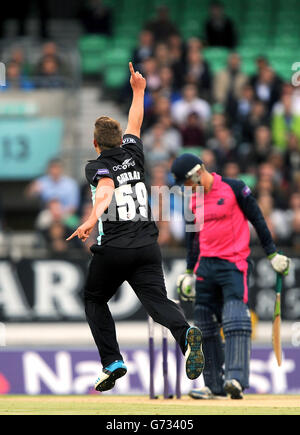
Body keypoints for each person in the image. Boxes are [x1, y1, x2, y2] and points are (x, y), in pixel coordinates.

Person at [66, 63, 204, 393]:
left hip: (114, 249)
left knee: (94, 299)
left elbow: (106, 190)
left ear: (95, 143)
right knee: (157, 302)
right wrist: (139, 91)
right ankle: (185, 335)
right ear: (119, 140)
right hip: (146, 247)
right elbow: (136, 122)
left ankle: (112, 362)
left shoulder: (96, 166)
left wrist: (91, 219)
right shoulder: (134, 152)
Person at [171, 153, 290, 399]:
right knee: (204, 324)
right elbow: (193, 239)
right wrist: (188, 271)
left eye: (186, 182)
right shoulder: (194, 199)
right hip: (205, 267)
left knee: (235, 319)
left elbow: (257, 219)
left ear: (197, 173)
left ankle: (235, 379)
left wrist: (272, 254)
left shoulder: (235, 188)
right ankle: (213, 385)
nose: (186, 188)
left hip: (233, 264)